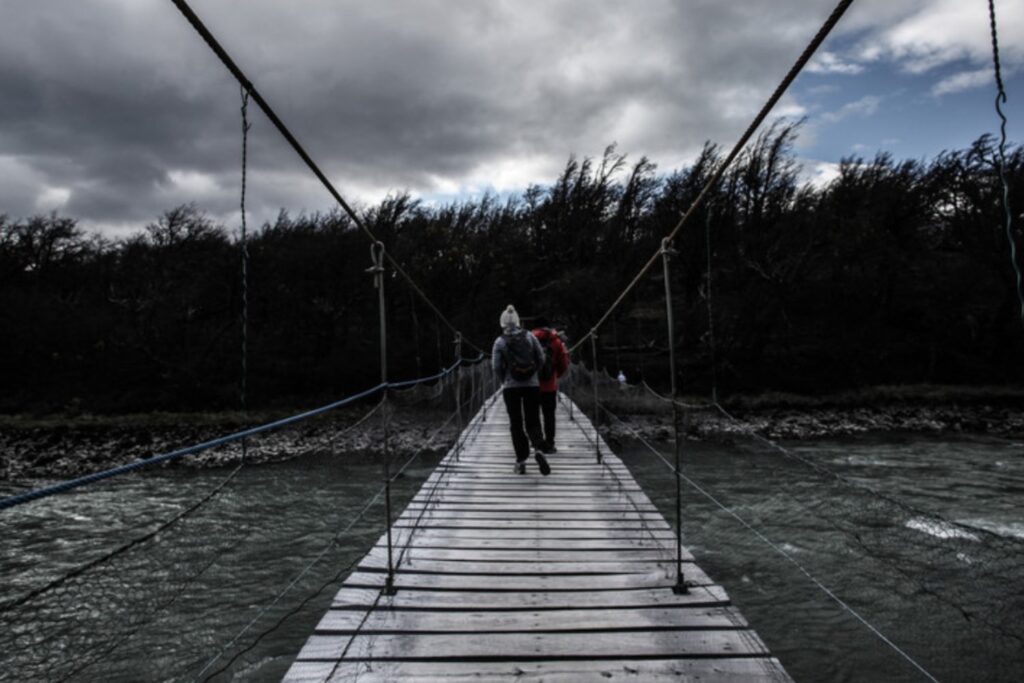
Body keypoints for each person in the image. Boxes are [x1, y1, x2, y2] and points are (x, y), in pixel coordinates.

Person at [492, 305, 550, 475]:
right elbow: (541, 357)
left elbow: (495, 366)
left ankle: (521, 460)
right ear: (518, 322)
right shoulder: (530, 336)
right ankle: (539, 449)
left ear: (502, 323)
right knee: (533, 419)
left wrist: (504, 380)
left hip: (511, 388)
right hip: (532, 386)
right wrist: (534, 375)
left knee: (516, 423)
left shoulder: (500, 341)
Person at [531, 318, 570, 453]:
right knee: (549, 416)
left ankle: (537, 444)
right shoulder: (557, 341)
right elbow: (563, 364)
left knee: (533, 415)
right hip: (549, 386)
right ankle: (550, 444)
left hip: (532, 386)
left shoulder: (529, 340)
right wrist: (555, 375)